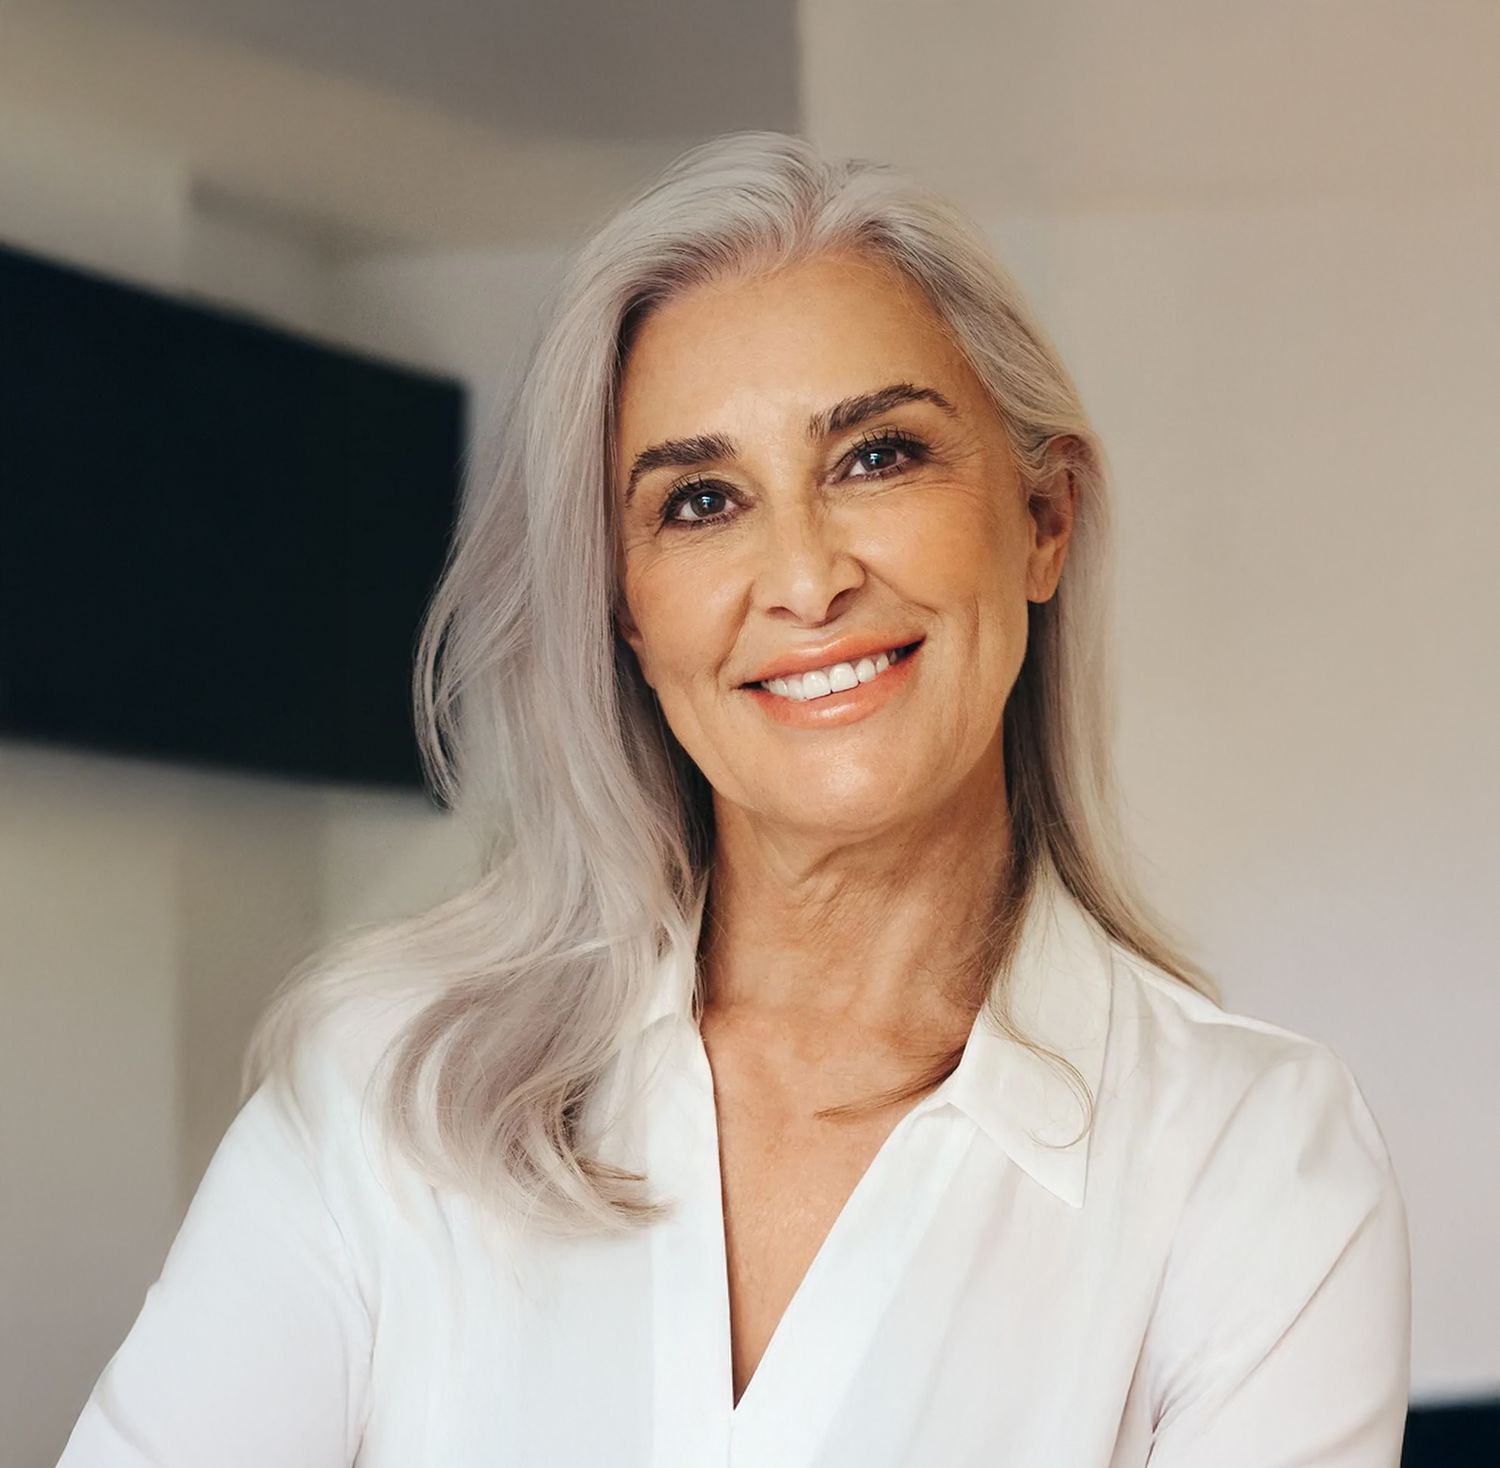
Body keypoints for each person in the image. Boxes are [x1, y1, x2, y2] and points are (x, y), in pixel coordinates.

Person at [57, 131, 1411, 1467]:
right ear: (625, 611)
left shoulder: (1251, 1162)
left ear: (1041, 520)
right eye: (702, 501)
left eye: (877, 456)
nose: (807, 580)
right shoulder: (389, 1090)